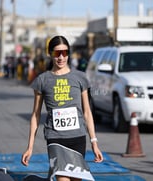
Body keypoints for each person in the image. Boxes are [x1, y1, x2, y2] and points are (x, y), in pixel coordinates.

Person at [21, 35, 103, 181]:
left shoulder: (80, 78)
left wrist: (94, 143)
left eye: (64, 53)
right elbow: (35, 115)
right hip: (55, 139)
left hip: (77, 138)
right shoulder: (42, 80)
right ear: (50, 54)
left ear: (69, 54)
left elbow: (87, 113)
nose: (60, 57)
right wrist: (30, 147)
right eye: (56, 53)